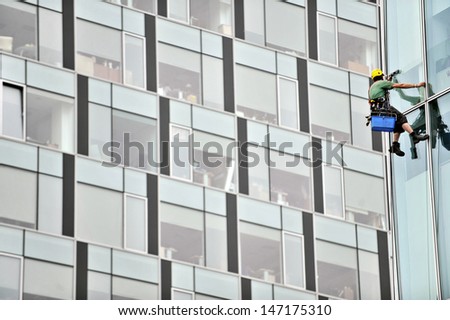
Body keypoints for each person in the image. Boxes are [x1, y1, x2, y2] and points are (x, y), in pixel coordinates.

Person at [368, 68, 429, 157]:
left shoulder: (371, 88)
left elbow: (380, 91)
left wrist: (388, 81)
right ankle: (414, 136)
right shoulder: (381, 83)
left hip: (377, 111)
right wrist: (417, 85)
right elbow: (401, 85)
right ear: (381, 76)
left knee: (398, 125)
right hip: (384, 108)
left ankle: (395, 146)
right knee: (402, 118)